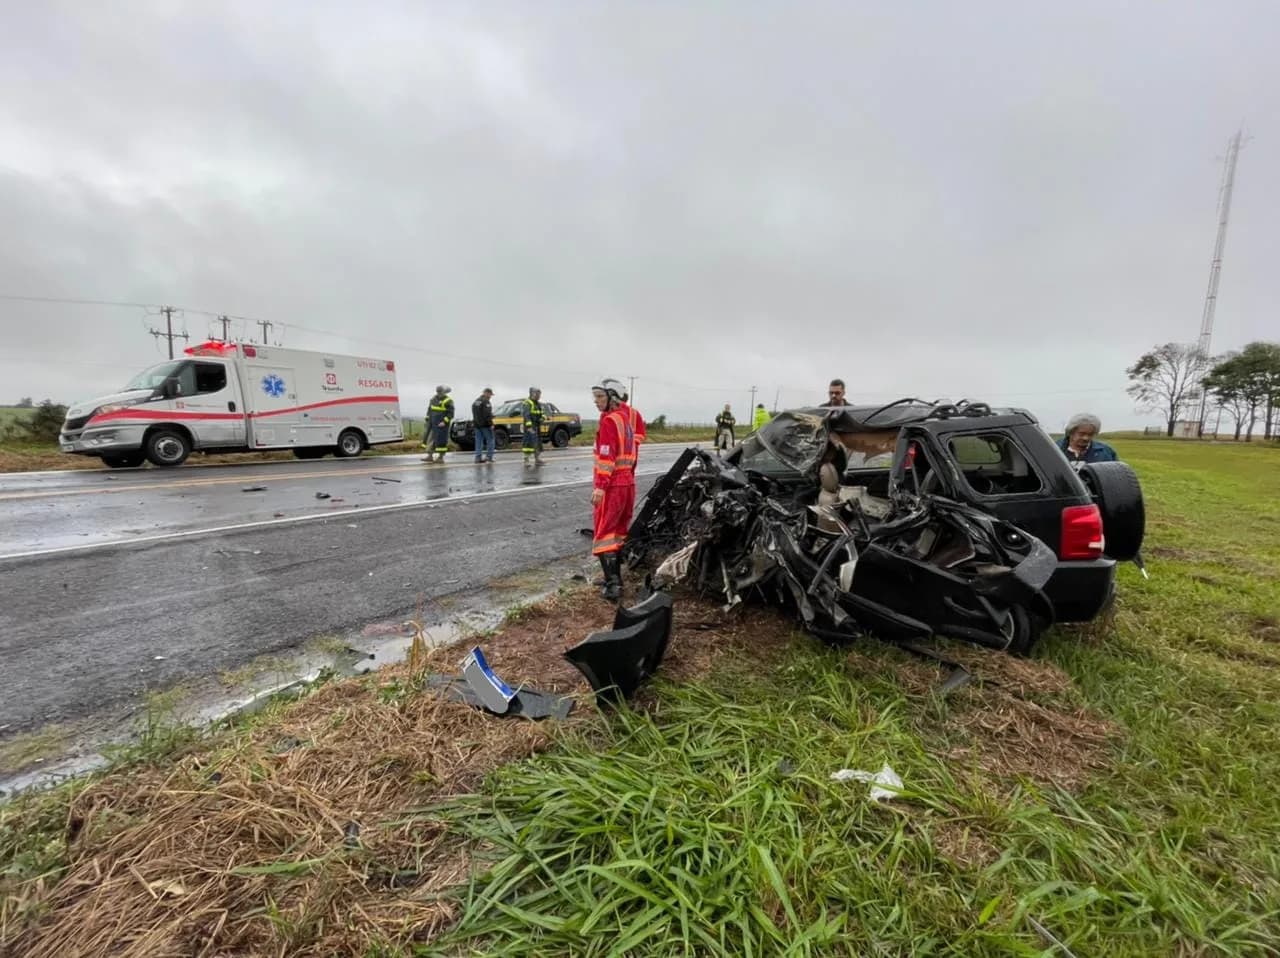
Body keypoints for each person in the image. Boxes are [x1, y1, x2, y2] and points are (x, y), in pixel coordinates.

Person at [590, 377, 640, 602]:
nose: (596, 401)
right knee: (618, 532)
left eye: (600, 396)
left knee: (604, 533)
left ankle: (613, 585)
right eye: (595, 397)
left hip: (612, 485)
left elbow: (606, 457)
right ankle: (614, 577)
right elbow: (632, 454)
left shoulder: (610, 421)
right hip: (627, 482)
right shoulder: (624, 419)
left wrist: (600, 487)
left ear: (613, 398)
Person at [422, 385, 454, 463]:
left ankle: (440, 457)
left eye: (440, 392)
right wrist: (427, 420)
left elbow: (451, 413)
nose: (439, 393)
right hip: (432, 423)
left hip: (441, 425)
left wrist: (444, 422)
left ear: (444, 392)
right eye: (438, 392)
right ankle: (430, 456)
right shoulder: (433, 399)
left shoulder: (448, 400)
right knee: (430, 439)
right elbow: (429, 410)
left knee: (441, 440)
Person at [522, 386, 545, 466]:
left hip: (537, 426)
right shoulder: (527, 403)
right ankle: (526, 460)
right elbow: (526, 415)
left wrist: (543, 418)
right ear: (532, 394)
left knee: (537, 443)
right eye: (537, 394)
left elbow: (542, 413)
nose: (539, 396)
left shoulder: (538, 403)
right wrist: (529, 426)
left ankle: (537, 459)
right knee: (528, 443)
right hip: (530, 427)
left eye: (539, 394)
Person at [472, 387, 495, 463]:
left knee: (479, 441)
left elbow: (476, 413)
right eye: (490, 394)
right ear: (486, 393)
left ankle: (478, 458)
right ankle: (489, 457)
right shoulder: (486, 402)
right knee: (490, 440)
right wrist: (491, 424)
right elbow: (487, 414)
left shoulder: (476, 401)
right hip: (485, 425)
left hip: (477, 425)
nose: (490, 396)